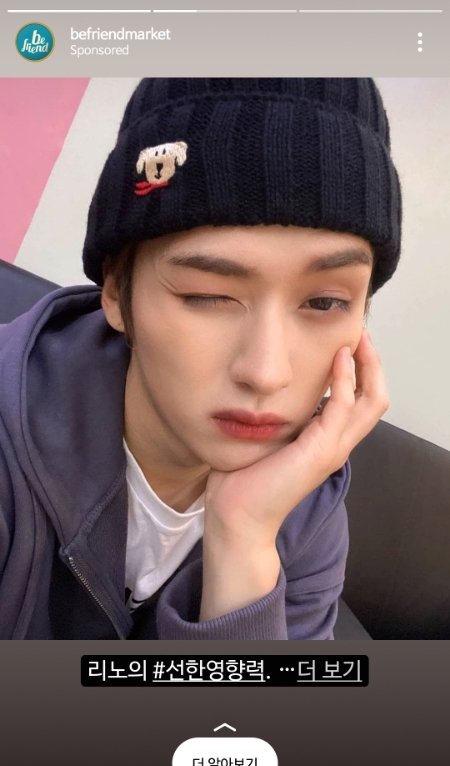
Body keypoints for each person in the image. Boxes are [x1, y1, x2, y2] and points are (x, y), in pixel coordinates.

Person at [0, 78, 401, 639]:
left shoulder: (306, 505)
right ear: (115, 290)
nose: (267, 373)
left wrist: (245, 538)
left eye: (325, 302)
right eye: (207, 295)